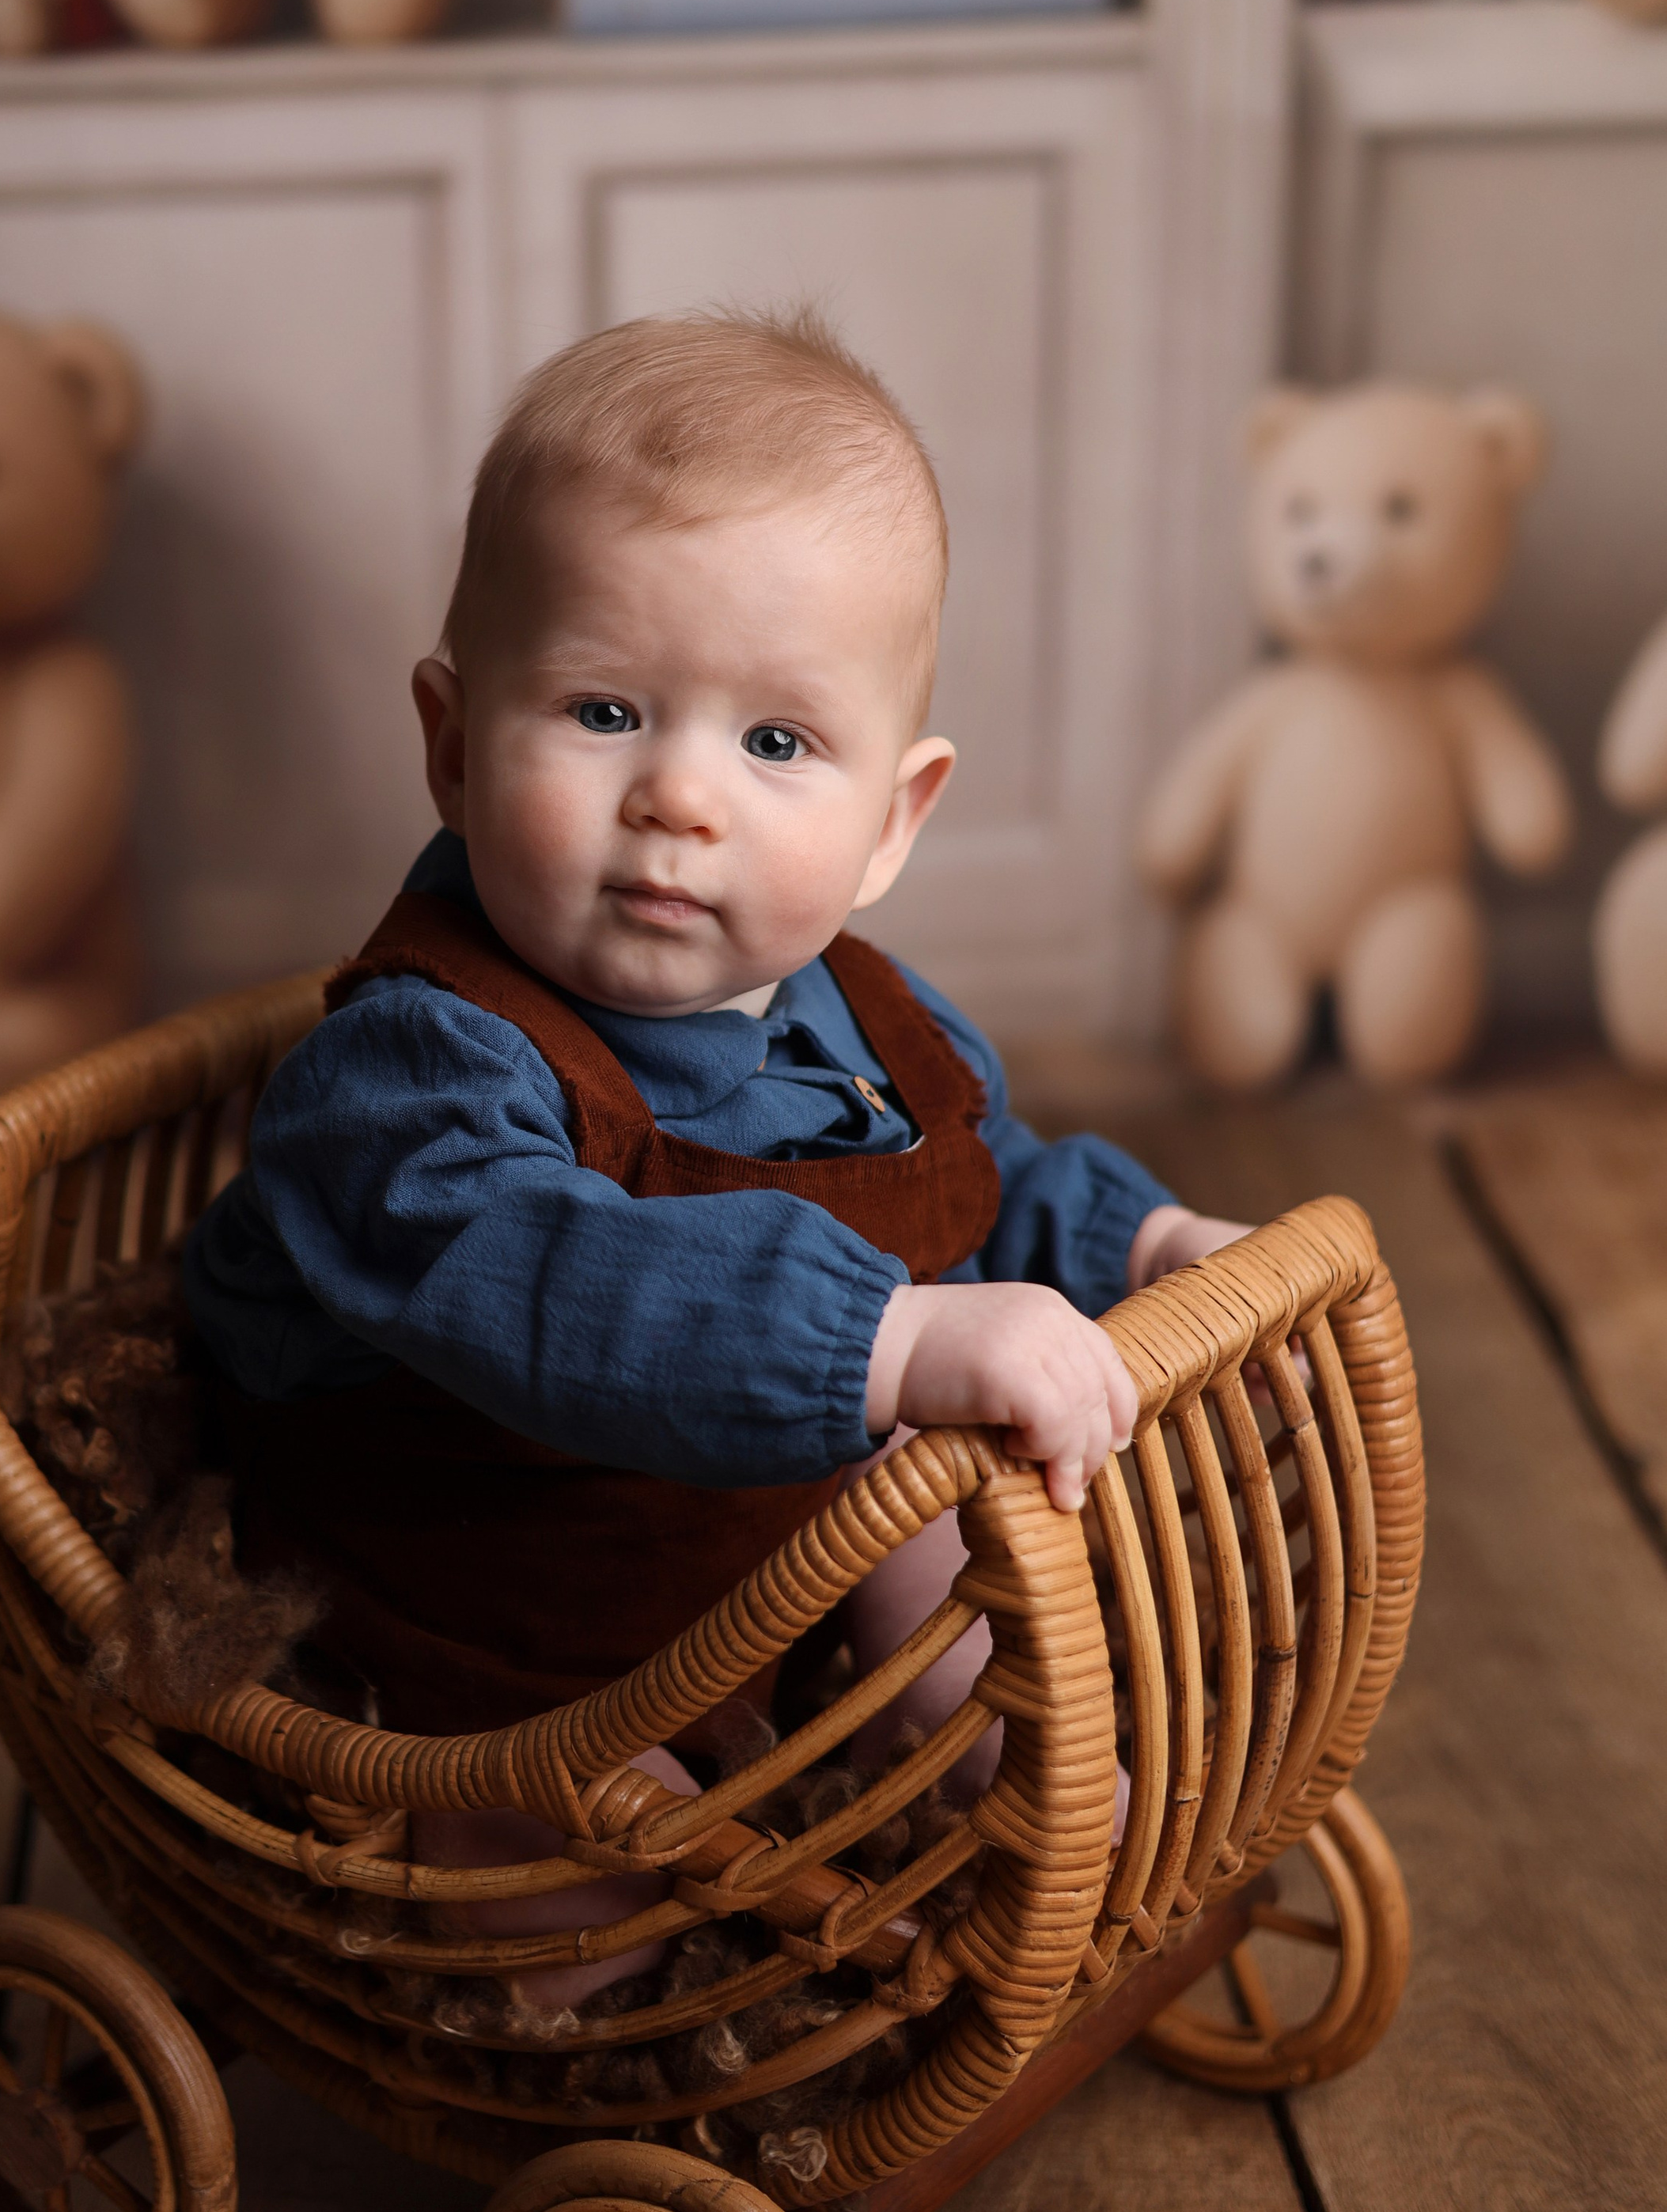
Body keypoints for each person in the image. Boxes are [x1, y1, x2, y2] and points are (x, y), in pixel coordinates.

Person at [184, 307, 1245, 2006]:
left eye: (773, 743)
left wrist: (1138, 1242)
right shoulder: (405, 1069)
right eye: (603, 709)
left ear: (891, 820)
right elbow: (550, 1275)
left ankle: (998, 1775)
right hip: (464, 1554)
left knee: (951, 1529)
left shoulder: (863, 1011)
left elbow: (970, 1179)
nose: (679, 796)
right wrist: (890, 1340)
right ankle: (579, 1962)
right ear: (452, 743)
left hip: (737, 1506)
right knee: (579, 1858)